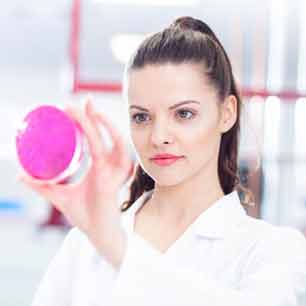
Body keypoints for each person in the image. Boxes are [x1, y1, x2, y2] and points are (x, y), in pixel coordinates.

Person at [19, 16, 306, 306]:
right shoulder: (83, 245)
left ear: (226, 113)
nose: (158, 137)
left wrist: (117, 247)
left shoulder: (272, 250)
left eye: (183, 114)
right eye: (141, 117)